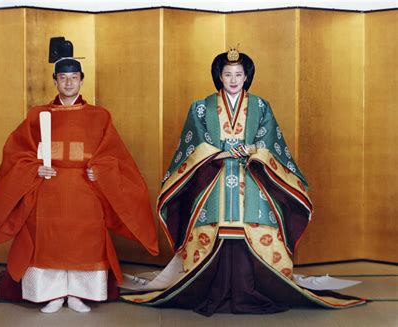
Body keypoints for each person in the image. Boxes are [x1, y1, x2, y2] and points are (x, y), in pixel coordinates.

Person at [121, 48, 365, 315]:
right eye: (228, 74)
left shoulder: (261, 106)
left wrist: (254, 150)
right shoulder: (201, 107)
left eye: (239, 74)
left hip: (251, 177)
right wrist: (223, 153)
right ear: (220, 77)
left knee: (259, 228)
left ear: (247, 76)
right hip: (214, 179)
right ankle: (209, 286)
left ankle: (256, 286)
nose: (234, 79)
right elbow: (194, 143)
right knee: (210, 229)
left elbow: (271, 139)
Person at [0, 37, 158, 313]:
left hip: (86, 189)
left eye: (74, 77)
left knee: (86, 243)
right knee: (47, 242)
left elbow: (114, 155)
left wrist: (102, 172)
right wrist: (34, 168)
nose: (69, 83)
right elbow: (16, 153)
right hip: (48, 188)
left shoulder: (100, 117)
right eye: (63, 78)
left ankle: (79, 294)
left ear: (82, 80)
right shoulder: (38, 115)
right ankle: (51, 294)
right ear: (55, 81)